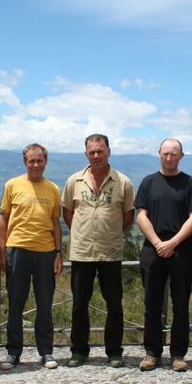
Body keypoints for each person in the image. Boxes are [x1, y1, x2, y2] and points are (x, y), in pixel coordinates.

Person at [61, 134, 135, 368]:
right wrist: (83, 232)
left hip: (110, 252)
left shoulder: (123, 182)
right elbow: (68, 213)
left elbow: (128, 217)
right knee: (79, 304)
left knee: (114, 304)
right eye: (92, 152)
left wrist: (108, 232)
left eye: (100, 151)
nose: (96, 156)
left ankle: (114, 351)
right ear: (86, 154)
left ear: (109, 152)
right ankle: (79, 351)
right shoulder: (74, 181)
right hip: (82, 252)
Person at [135, 139, 192, 372]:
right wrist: (157, 243)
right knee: (151, 303)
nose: (169, 157)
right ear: (159, 154)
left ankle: (178, 354)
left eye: (174, 154)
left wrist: (172, 243)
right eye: (166, 153)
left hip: (181, 250)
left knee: (181, 303)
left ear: (181, 156)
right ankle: (152, 353)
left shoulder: (190, 184)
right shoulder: (148, 182)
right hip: (152, 251)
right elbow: (141, 215)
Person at [0, 143, 63, 370]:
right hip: (17, 249)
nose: (35, 165)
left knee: (44, 304)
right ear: (25, 162)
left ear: (46, 161)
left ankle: (46, 351)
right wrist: (1, 250)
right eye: (31, 160)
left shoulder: (53, 189)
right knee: (16, 303)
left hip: (45, 252)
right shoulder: (12, 185)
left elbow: (56, 222)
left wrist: (58, 252)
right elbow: (4, 218)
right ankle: (13, 352)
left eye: (40, 160)